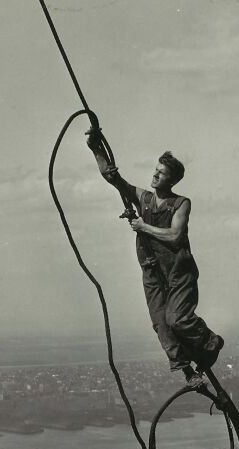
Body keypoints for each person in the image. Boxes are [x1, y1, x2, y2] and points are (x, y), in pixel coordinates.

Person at [87, 131, 224, 387]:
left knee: (178, 320)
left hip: (178, 271)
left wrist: (143, 227)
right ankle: (188, 373)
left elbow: (174, 235)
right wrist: (96, 148)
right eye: (155, 169)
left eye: (161, 173)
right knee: (161, 324)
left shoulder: (181, 203)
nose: (155, 175)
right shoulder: (144, 199)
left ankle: (210, 342)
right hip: (151, 269)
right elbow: (113, 178)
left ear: (172, 180)